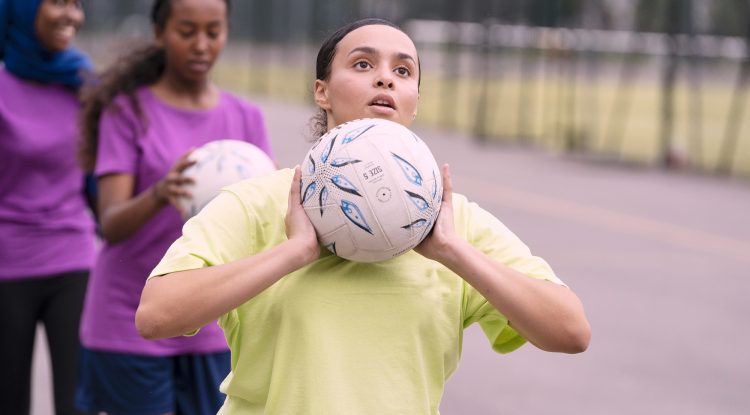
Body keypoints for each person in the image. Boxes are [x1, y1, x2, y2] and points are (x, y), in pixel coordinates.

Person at [136, 18, 591, 414]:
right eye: (362, 64)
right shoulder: (258, 203)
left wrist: (451, 251)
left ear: (415, 99)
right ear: (322, 92)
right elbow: (157, 316)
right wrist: (293, 252)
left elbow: (570, 331)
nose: (385, 79)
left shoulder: (455, 223)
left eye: (403, 70)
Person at [74, 0, 272, 414]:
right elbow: (111, 225)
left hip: (214, 327)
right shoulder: (127, 111)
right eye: (187, 32)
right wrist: (161, 192)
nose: (201, 44)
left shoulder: (246, 118)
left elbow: (265, 223)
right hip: (129, 324)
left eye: (213, 32)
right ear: (160, 33)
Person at [0, 0, 95, 414]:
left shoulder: (85, 81)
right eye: (58, 2)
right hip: (7, 268)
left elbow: (101, 178)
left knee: (77, 403)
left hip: (73, 261)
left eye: (77, 4)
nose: (71, 15)